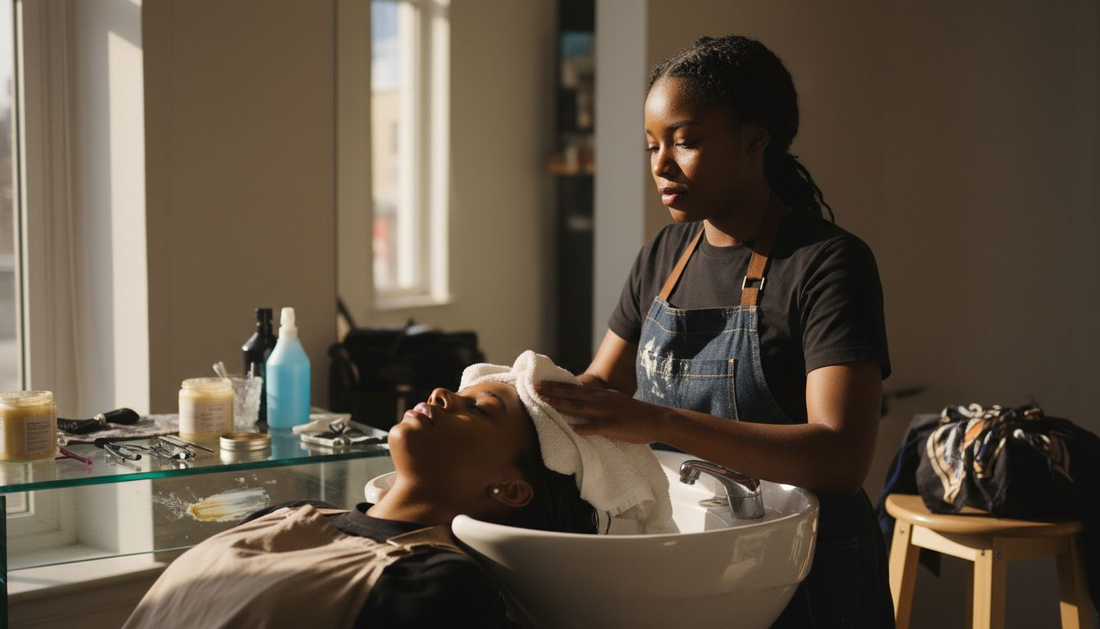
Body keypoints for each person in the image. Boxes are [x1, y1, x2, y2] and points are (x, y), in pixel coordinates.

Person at [536, 35, 893, 627]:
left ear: (755, 140)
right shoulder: (665, 254)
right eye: (652, 145)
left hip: (804, 566)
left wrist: (660, 422)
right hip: (693, 551)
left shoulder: (827, 263)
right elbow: (603, 381)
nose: (660, 165)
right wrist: (527, 397)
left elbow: (840, 457)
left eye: (687, 141)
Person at [124, 381, 597, 629]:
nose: (442, 394)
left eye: (480, 409)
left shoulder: (440, 583)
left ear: (511, 490)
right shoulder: (292, 512)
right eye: (459, 393)